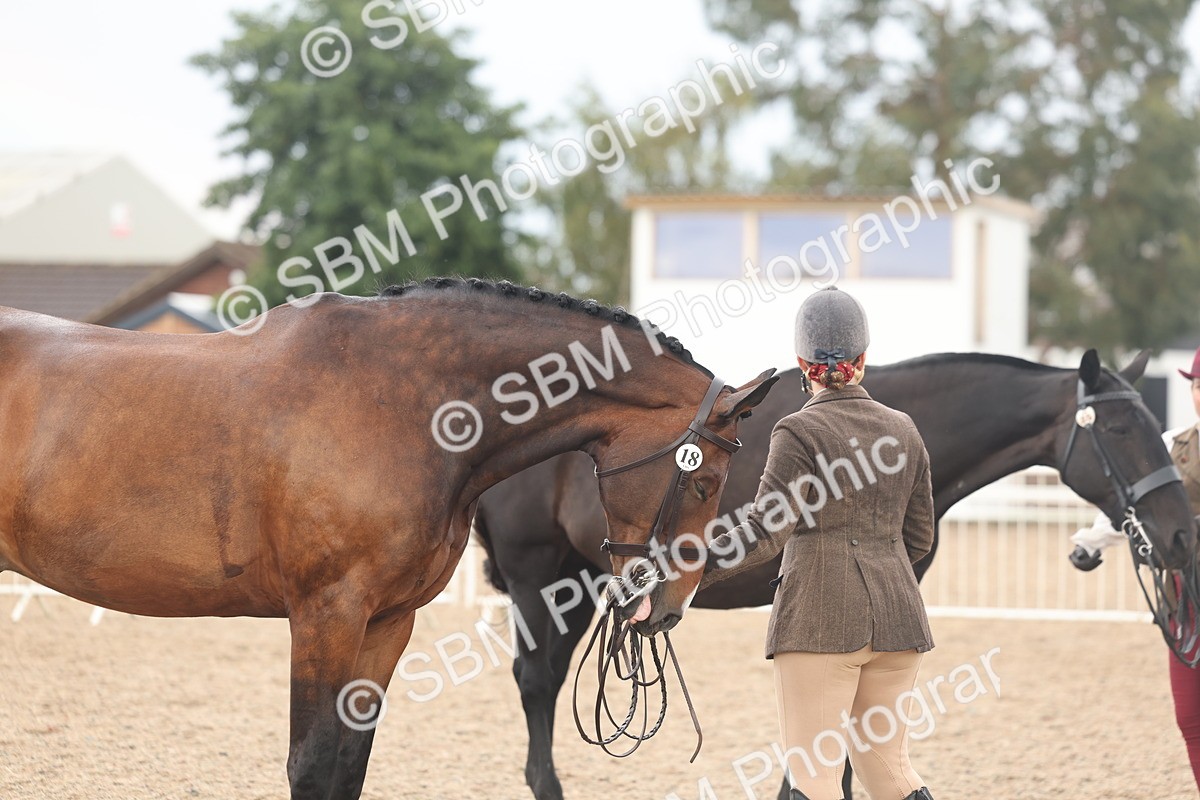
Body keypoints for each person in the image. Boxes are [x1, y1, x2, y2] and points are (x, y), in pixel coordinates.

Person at [699, 286, 935, 800]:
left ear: (802, 364)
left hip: (818, 623)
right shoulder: (905, 429)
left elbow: (765, 530)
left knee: (813, 779)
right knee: (889, 773)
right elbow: (920, 538)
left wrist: (690, 564)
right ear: (863, 359)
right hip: (899, 623)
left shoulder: (797, 431)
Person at [1068, 345, 1200, 790]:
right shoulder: (1170, 445)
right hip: (1184, 599)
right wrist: (1092, 541)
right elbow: (1134, 499)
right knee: (1191, 717)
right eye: (1199, 387)